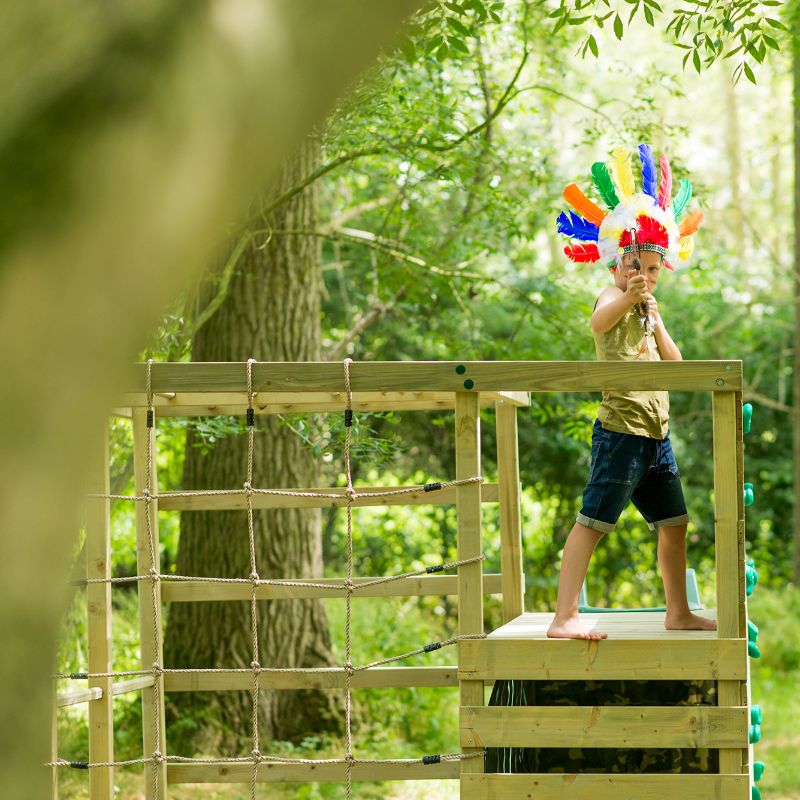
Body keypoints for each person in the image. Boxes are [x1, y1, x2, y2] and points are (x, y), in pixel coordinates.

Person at [546, 144, 715, 640]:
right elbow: (598, 321)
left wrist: (657, 321)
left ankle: (677, 611)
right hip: (620, 431)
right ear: (615, 265)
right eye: (633, 265)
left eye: (652, 268)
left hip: (655, 435)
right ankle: (564, 617)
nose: (643, 274)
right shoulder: (611, 298)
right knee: (594, 521)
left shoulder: (647, 310)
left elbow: (676, 365)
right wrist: (626, 299)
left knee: (675, 523)